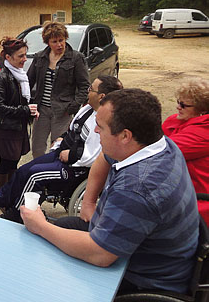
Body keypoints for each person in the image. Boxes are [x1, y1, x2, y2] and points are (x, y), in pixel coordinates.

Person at [21, 88, 199, 294]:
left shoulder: (138, 188)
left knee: (45, 270)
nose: (95, 132)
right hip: (147, 250)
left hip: (142, 281)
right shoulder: (157, 144)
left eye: (100, 127)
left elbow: (100, 255)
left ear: (125, 136)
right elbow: (105, 156)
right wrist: (88, 202)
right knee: (63, 226)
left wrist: (40, 225)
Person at [0, 75, 122, 219]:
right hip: (62, 153)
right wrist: (62, 138)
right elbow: (73, 131)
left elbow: (93, 155)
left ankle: (17, 213)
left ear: (101, 96)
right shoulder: (88, 110)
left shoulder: (104, 122)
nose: (88, 91)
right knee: (23, 171)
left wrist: (71, 155)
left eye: (91, 89)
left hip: (75, 167)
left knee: (35, 175)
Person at [27, 21, 90, 158]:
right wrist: (28, 103)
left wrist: (74, 106)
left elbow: (84, 85)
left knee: (57, 148)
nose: (59, 45)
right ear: (47, 42)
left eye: (61, 40)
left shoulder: (76, 58)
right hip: (41, 110)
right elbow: (28, 81)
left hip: (63, 111)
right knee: (37, 148)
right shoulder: (40, 57)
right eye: (54, 41)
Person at [0, 37, 37, 190]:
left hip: (18, 128)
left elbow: (22, 101)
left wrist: (31, 112)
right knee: (6, 164)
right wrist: (25, 110)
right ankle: (2, 196)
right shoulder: (1, 78)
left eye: (25, 55)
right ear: (8, 57)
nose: (24, 59)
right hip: (6, 130)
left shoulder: (20, 75)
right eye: (20, 56)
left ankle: (9, 194)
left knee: (13, 162)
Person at [162, 78, 209, 224]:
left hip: (198, 202)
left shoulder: (202, 133)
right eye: (178, 102)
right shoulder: (176, 120)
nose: (178, 107)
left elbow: (160, 151)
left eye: (184, 105)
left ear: (202, 110)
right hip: (180, 193)